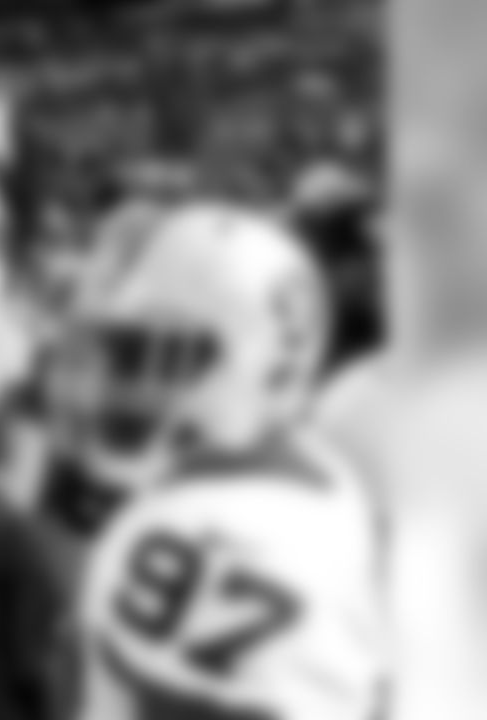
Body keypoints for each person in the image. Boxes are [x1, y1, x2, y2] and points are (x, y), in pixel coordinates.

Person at [60, 203, 387, 720]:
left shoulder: (198, 538)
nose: (121, 384)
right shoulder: (313, 473)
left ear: (273, 370)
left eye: (163, 358)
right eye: (121, 355)